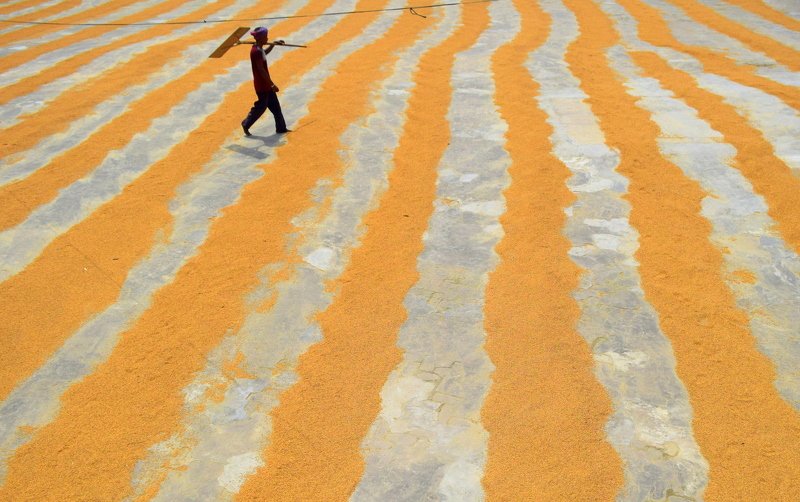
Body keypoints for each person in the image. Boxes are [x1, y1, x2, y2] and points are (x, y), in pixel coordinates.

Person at [241, 26, 289, 136]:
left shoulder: (259, 49)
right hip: (262, 85)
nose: (268, 38)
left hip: (266, 85)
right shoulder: (256, 51)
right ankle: (246, 123)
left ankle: (281, 128)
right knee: (260, 107)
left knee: (276, 107)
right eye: (266, 37)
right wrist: (272, 85)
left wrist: (273, 44)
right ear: (261, 38)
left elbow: (264, 53)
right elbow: (261, 70)